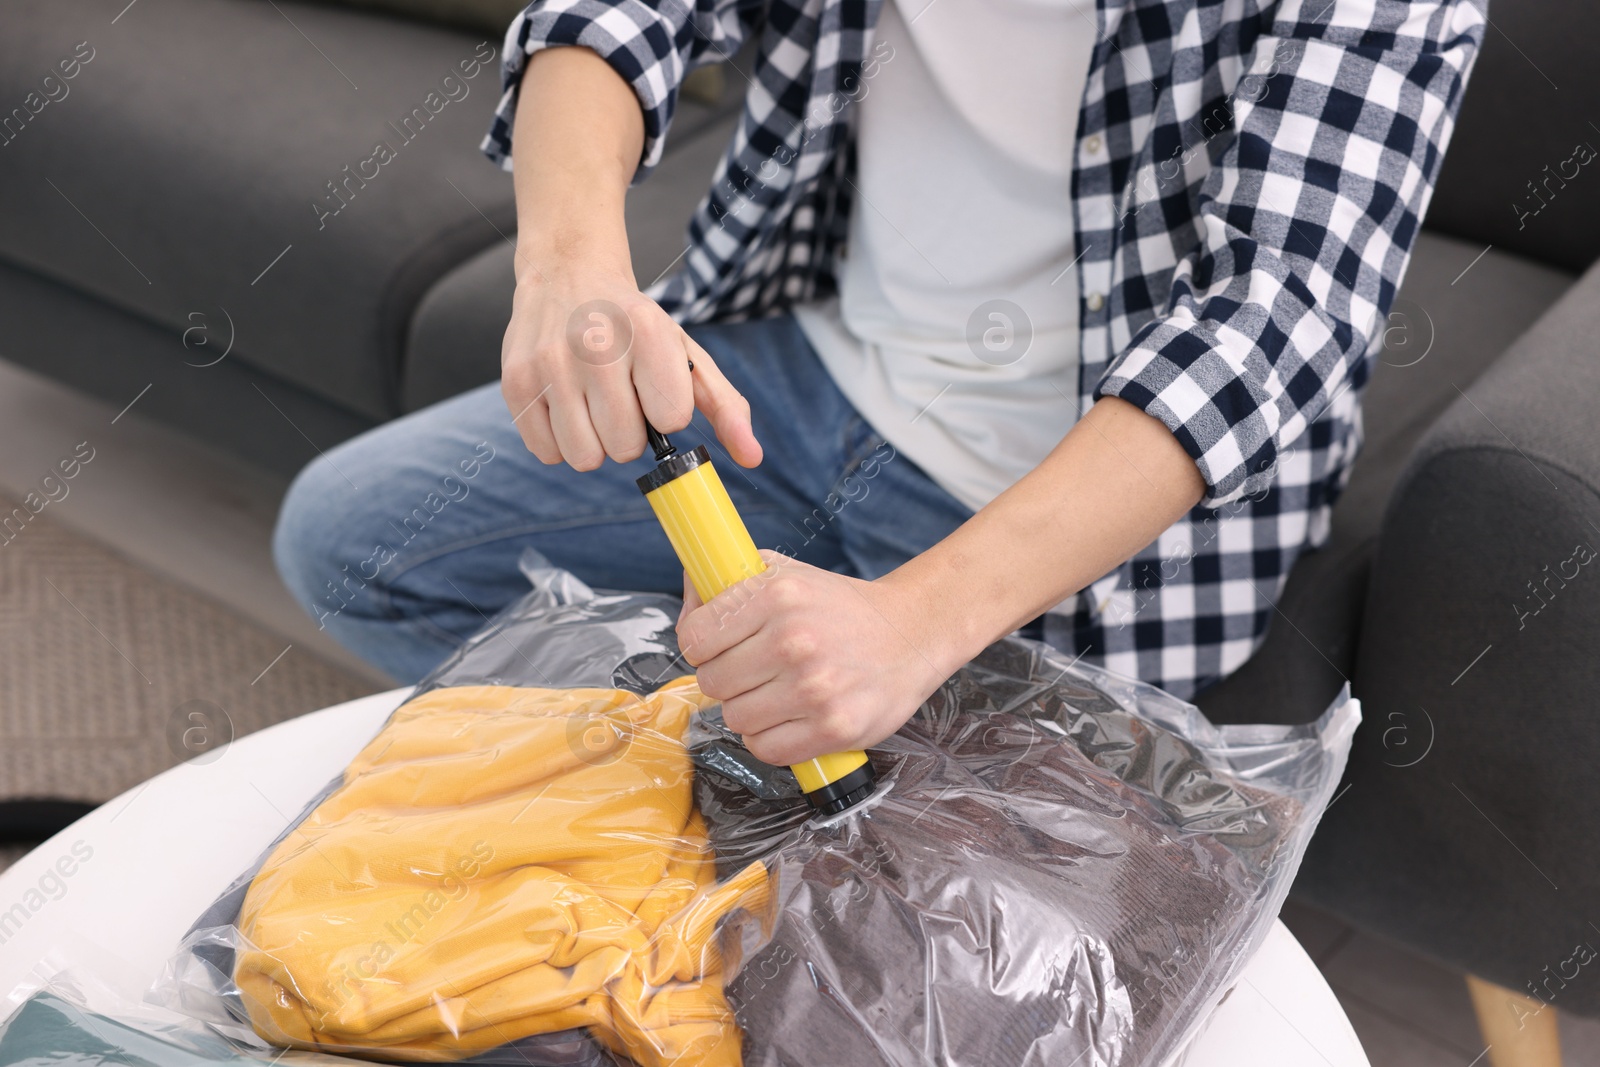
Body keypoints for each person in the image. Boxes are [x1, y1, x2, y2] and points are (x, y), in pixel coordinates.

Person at [274, 0, 1485, 769]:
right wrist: (570, 261)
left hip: (1090, 533)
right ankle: (729, 790)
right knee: (354, 542)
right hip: (797, 384)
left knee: (911, 959)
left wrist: (910, 623)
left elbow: (1277, 312)